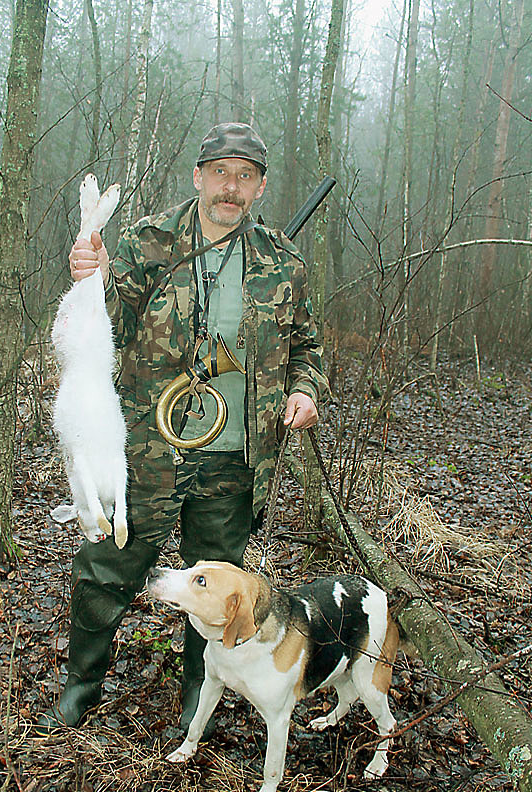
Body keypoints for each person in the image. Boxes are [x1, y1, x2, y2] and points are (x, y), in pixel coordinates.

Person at [37, 122, 328, 734]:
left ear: (261, 186)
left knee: (216, 589)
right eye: (220, 172)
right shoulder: (153, 241)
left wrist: (304, 390)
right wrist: (90, 274)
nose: (232, 187)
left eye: (245, 176)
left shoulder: (285, 262)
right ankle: (81, 688)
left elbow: (307, 345)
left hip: (233, 457)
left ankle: (200, 699)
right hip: (145, 449)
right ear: (198, 177)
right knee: (106, 570)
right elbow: (102, 321)